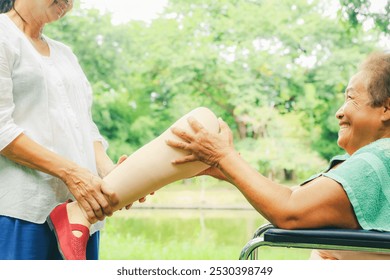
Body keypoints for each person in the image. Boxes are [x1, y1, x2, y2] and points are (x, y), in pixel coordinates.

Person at [167, 51, 390, 260]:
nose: (339, 112)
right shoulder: (372, 162)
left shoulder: (379, 157)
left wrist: (223, 157)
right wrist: (228, 168)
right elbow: (297, 197)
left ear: (386, 109)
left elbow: (290, 211)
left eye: (351, 98)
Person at [0, 0, 122, 260]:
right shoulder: (3, 36)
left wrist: (107, 171)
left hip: (81, 215)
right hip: (23, 212)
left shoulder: (65, 53)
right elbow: (2, 131)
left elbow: (85, 126)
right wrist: (72, 173)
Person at [47, 107, 219, 260]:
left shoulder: (75, 70)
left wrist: (111, 172)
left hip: (86, 209)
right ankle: (80, 213)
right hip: (35, 201)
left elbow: (84, 126)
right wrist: (71, 173)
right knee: (203, 122)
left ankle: (80, 213)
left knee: (209, 129)